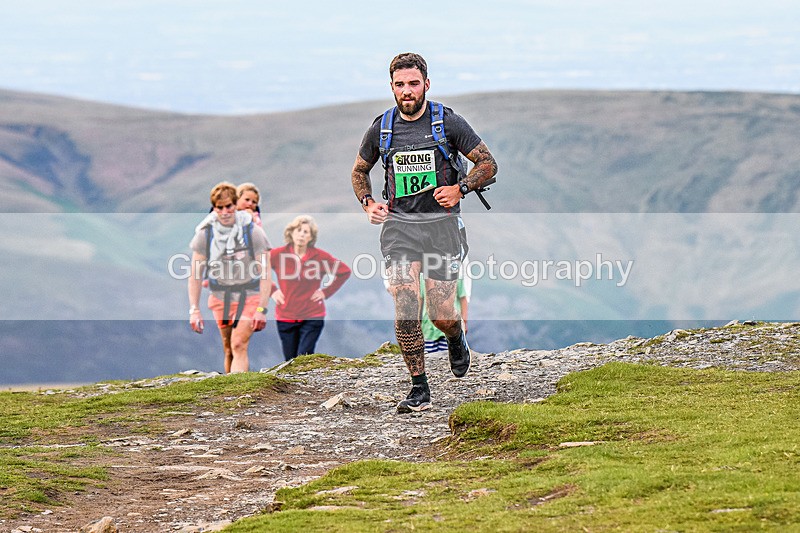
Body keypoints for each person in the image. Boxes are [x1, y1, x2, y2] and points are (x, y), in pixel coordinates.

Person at [350, 52, 498, 413]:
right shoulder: (381, 128)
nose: (407, 91)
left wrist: (460, 189)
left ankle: (455, 336)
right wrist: (369, 202)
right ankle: (419, 388)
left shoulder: (447, 122)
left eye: (413, 83)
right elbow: (359, 171)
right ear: (392, 87)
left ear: (426, 84)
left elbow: (488, 163)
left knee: (440, 312)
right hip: (400, 228)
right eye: (399, 85)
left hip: (441, 228)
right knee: (404, 301)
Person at [187, 181, 272, 374]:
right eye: (220, 207)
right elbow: (195, 275)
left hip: (250, 295)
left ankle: (240, 395)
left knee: (238, 344)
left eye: (229, 206)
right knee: (228, 349)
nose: (225, 212)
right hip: (219, 297)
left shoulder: (253, 231)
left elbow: (267, 273)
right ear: (214, 208)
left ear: (236, 205)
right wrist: (194, 309)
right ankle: (231, 393)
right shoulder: (205, 234)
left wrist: (262, 308)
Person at [270, 215, 351, 360]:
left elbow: (344, 271)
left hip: (312, 315)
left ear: (311, 237)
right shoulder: (277, 255)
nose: (301, 234)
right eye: (298, 230)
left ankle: (305, 382)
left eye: (306, 232)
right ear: (291, 233)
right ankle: (292, 383)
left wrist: (325, 292)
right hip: (286, 316)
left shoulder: (320, 257)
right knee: (289, 360)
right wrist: (272, 291)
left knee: (303, 358)